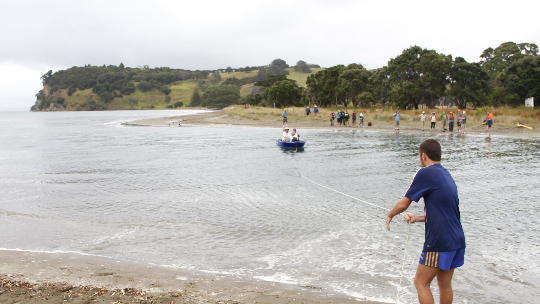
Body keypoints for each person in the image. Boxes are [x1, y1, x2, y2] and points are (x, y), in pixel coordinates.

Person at [386, 139, 465, 304]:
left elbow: (404, 203)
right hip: (456, 238)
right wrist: (417, 218)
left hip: (440, 241)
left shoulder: (426, 173)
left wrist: (390, 215)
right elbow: (446, 213)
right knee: (444, 284)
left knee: (421, 282)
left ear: (423, 155)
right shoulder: (445, 173)